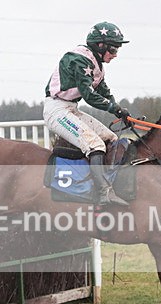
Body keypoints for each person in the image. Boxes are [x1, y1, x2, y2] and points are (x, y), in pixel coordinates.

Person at [44, 21, 132, 206]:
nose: (115, 55)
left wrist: (122, 113)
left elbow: (104, 92)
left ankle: (107, 183)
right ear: (100, 45)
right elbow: (89, 96)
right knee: (94, 144)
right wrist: (114, 108)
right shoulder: (80, 59)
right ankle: (103, 193)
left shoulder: (96, 63)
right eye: (113, 49)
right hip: (57, 110)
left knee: (111, 138)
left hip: (70, 109)